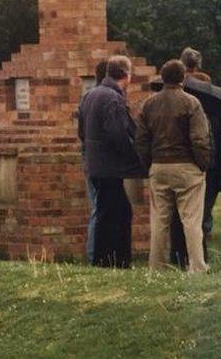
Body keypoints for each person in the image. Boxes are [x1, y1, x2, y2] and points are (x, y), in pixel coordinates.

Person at [135, 60, 211, 273]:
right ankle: (197, 266)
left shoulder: (148, 104)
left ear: (162, 77)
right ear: (183, 77)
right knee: (192, 220)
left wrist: (149, 164)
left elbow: (141, 139)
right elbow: (199, 138)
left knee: (159, 221)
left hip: (159, 166)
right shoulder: (191, 103)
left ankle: (157, 267)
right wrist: (202, 164)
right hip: (187, 166)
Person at [78, 55, 144, 268]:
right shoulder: (113, 98)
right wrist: (134, 158)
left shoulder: (90, 96)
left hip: (94, 163)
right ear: (126, 74)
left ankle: (107, 259)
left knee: (112, 210)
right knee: (115, 213)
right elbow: (119, 134)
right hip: (109, 166)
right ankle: (114, 260)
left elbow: (81, 130)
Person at [178, 47, 221, 245]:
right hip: (211, 142)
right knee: (209, 190)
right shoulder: (208, 88)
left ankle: (192, 227)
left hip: (186, 149)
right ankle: (205, 226)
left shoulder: (181, 85)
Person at [80, 60, 108, 264]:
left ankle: (95, 255)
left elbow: (81, 132)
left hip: (89, 159)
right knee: (99, 209)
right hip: (103, 163)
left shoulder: (86, 98)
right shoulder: (107, 98)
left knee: (97, 209)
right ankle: (95, 255)